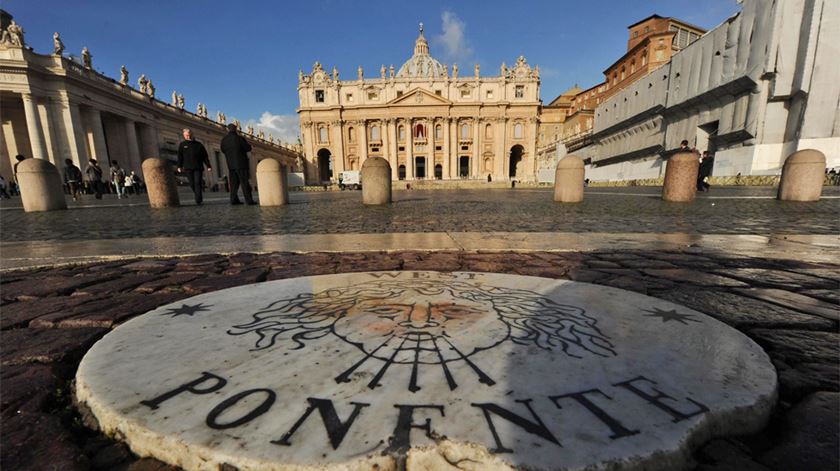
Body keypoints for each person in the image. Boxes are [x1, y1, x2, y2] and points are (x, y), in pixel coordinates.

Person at [220, 123, 255, 205]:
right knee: (244, 183)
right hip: (241, 164)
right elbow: (247, 148)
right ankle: (249, 200)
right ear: (235, 129)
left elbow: (222, 150)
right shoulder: (240, 138)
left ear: (228, 129)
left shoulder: (224, 140)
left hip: (231, 165)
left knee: (233, 184)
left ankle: (233, 200)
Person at [177, 128, 211, 204]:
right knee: (192, 183)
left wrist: (208, 166)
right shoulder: (182, 145)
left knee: (197, 182)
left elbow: (205, 156)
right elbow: (180, 156)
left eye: (188, 135)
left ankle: (198, 199)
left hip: (198, 167)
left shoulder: (199, 145)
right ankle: (198, 195)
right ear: (184, 135)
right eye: (185, 135)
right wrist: (179, 166)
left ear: (191, 135)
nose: (187, 136)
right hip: (188, 167)